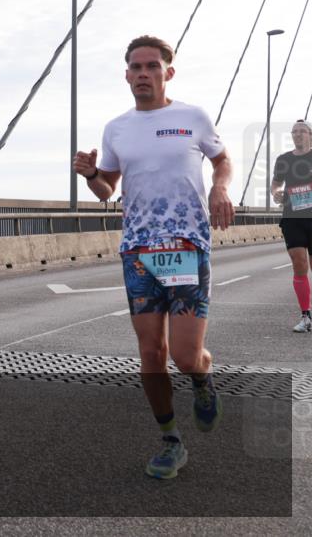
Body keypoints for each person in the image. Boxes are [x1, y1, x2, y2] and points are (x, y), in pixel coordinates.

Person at [72, 35, 234, 480]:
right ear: (127, 75)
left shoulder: (192, 117)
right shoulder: (117, 128)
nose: (143, 74)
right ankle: (170, 440)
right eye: (135, 67)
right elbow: (107, 188)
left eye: (152, 67)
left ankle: (202, 380)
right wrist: (91, 176)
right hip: (139, 251)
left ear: (168, 73)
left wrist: (220, 186)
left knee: (185, 356)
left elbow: (222, 160)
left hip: (186, 246)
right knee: (151, 353)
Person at [271, 119, 312, 333]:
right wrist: (275, 192)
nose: (298, 134)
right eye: (295, 132)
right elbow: (276, 182)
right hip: (292, 217)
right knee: (299, 263)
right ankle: (305, 316)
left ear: (310, 135)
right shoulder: (284, 159)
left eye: (302, 131)